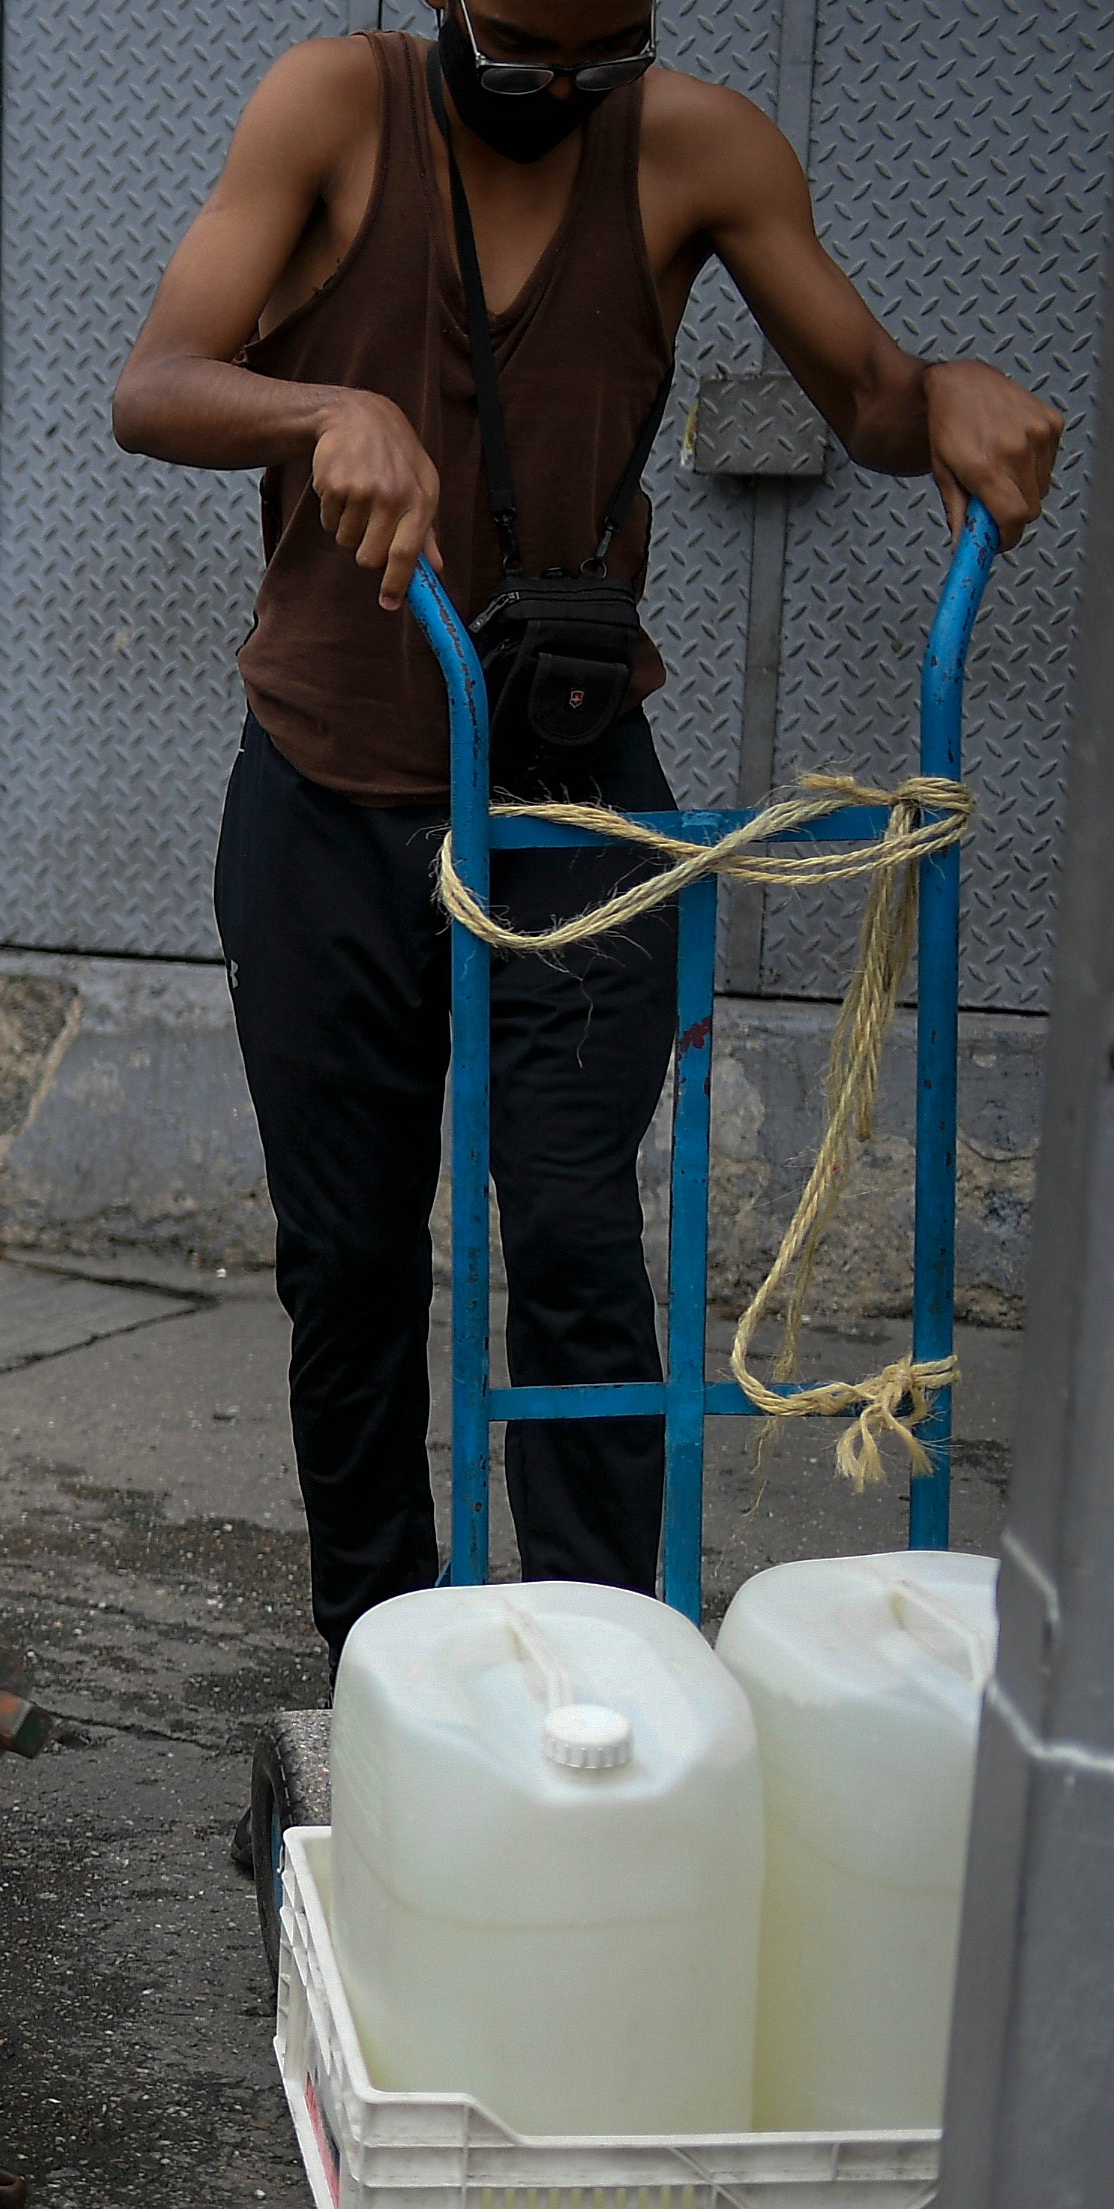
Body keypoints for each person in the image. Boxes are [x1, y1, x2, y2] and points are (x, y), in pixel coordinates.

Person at [112, 0, 1063, 1663]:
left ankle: (608, 1665)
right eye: (518, 44)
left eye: (594, 55)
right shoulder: (334, 103)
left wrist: (950, 397)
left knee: (569, 1241)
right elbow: (157, 381)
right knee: (347, 1269)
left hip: (566, 787)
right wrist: (317, 410)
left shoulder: (703, 147)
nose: (552, 86)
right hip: (324, 793)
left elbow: (870, 395)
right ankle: (382, 1666)